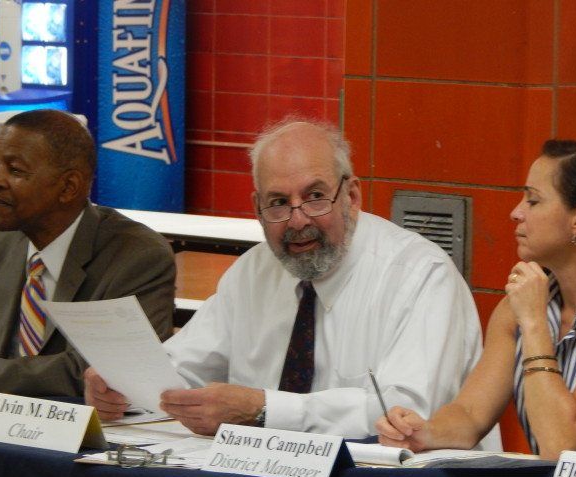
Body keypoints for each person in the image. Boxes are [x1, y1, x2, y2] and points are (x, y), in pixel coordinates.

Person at [85, 119, 488, 441]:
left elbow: (408, 412)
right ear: (257, 209)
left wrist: (263, 409)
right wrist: (124, 388)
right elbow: (182, 370)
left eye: (315, 197)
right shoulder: (252, 273)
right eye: (278, 203)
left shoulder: (420, 276)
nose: (298, 221)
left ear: (352, 197)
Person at [377, 140, 576, 459]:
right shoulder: (520, 306)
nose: (516, 213)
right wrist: (423, 432)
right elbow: (470, 415)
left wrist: (535, 323)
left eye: (534, 201)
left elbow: (562, 444)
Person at [0, 109, 176, 396]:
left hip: (87, 432)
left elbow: (93, 371)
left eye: (15, 170)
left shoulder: (137, 257)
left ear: (68, 187)